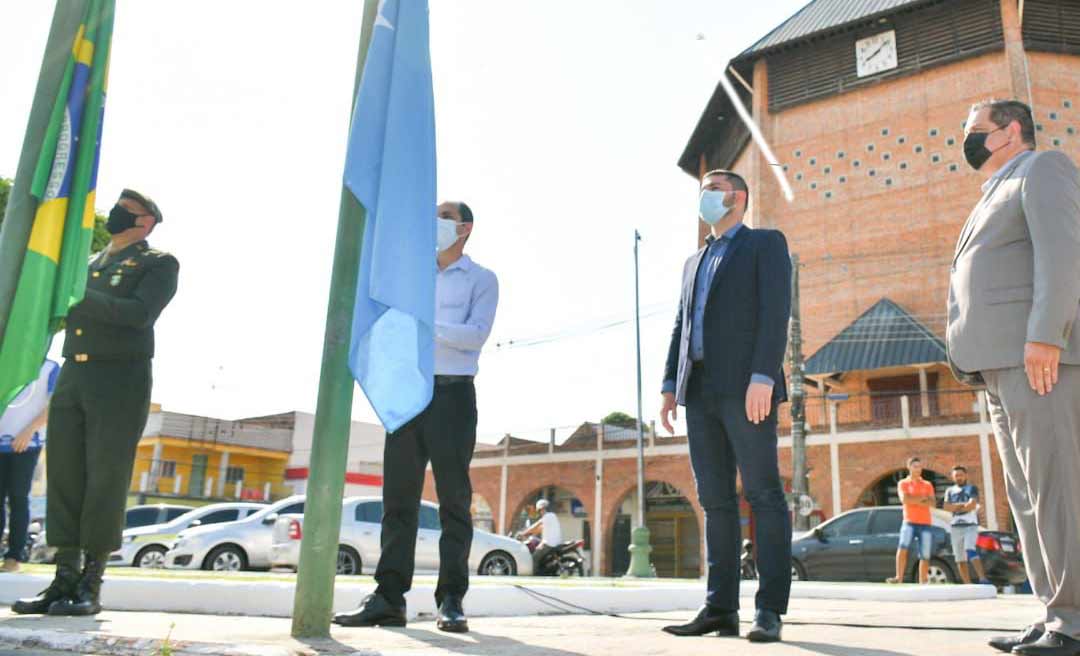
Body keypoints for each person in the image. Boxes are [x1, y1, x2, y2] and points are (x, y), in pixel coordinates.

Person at [947, 98, 1080, 656]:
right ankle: (1054, 610)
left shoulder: (1043, 168)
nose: (967, 139)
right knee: (1026, 495)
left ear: (1011, 130)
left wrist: (1047, 333)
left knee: (1058, 489)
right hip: (998, 364)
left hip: (1038, 357)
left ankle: (1074, 621)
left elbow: (1065, 253)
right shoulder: (991, 192)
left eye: (976, 129)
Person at [334, 201, 499, 634]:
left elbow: (475, 337)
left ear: (464, 228)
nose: (434, 221)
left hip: (452, 397)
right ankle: (389, 598)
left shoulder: (482, 279)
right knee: (398, 501)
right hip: (408, 395)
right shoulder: (410, 277)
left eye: (443, 216)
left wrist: (426, 326)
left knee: (454, 503)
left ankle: (451, 600)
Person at [13, 189, 178, 617]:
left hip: (119, 377)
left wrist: (77, 293)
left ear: (146, 223)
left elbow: (138, 314)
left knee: (104, 479)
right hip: (74, 374)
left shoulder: (157, 263)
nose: (116, 215)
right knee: (65, 475)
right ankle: (62, 580)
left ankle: (90, 584)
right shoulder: (85, 264)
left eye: (128, 211)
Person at [659, 169, 792, 644]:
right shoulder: (693, 261)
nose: (705, 197)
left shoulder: (764, 245)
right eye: (703, 190)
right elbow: (681, 325)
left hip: (746, 388)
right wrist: (669, 386)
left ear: (738, 198)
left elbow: (776, 312)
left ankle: (770, 610)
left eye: (713, 189)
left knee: (763, 494)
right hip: (699, 392)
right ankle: (720, 608)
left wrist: (763, 376)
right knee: (715, 500)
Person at [0, 359, 60, 572]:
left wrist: (28, 431)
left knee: (18, 498)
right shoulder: (8, 356)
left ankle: (14, 557)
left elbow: (53, 404)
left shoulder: (50, 368)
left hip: (26, 443)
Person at [886, 457, 935, 585]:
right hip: (909, 522)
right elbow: (904, 500)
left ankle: (923, 582)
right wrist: (922, 499)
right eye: (915, 466)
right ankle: (899, 578)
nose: (918, 469)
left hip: (926, 523)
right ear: (909, 467)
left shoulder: (927, 484)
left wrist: (914, 499)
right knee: (903, 547)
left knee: (925, 554)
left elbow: (932, 502)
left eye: (920, 466)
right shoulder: (903, 483)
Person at [942, 465, 989, 585]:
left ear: (966, 476)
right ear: (953, 477)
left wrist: (956, 508)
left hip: (970, 525)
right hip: (955, 527)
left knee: (970, 549)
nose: (959, 477)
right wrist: (963, 507)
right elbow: (946, 507)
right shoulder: (950, 491)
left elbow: (972, 505)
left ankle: (982, 578)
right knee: (959, 557)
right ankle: (968, 584)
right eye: (956, 475)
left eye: (961, 475)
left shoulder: (971, 489)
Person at [521, 498, 563, 569]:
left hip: (549, 543)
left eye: (539, 510)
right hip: (554, 542)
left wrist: (523, 533)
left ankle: (535, 576)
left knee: (534, 557)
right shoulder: (552, 516)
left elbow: (536, 525)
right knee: (538, 547)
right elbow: (540, 529)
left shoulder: (547, 516)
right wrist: (530, 534)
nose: (540, 512)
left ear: (542, 509)